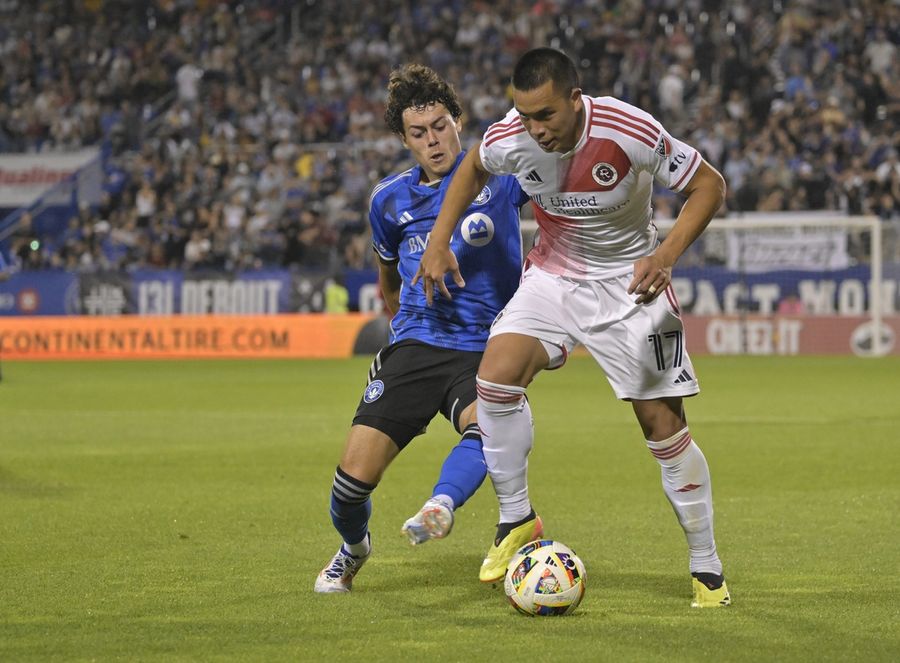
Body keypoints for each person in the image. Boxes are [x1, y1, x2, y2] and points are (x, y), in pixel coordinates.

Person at [414, 48, 731, 608]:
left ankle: (706, 566)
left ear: (575, 100)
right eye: (524, 115)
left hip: (631, 284)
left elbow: (709, 185)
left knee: (662, 427)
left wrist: (667, 255)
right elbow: (471, 168)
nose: (534, 129)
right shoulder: (510, 136)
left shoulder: (628, 129)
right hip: (554, 278)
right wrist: (439, 241)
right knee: (495, 377)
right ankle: (517, 518)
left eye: (546, 116)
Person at [314, 64, 532, 593]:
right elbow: (387, 276)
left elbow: (556, 176)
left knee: (491, 430)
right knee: (348, 488)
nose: (433, 140)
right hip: (415, 344)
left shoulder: (500, 179)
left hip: (483, 348)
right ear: (404, 139)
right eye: (419, 132)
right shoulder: (388, 200)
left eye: (440, 125)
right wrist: (402, 323)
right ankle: (353, 547)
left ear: (458, 122)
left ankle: (441, 503)